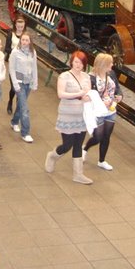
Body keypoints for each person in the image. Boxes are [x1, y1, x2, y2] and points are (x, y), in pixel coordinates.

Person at [44, 50, 94, 185]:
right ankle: (52, 156)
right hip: (67, 115)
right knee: (67, 145)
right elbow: (61, 94)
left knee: (78, 145)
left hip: (82, 116)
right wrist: (79, 94)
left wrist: (89, 98)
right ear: (71, 61)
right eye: (76, 62)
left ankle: (78, 174)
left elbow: (88, 93)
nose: (78, 65)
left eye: (81, 62)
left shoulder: (87, 77)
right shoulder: (64, 76)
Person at [83, 52, 122, 171]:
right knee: (98, 136)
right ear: (103, 65)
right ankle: (85, 148)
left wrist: (119, 96)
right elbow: (88, 95)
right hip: (98, 111)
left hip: (110, 111)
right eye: (110, 63)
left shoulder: (111, 74)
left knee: (106, 136)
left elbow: (117, 88)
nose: (112, 65)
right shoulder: (91, 78)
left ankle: (102, 161)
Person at [8, 31, 38, 143]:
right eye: (23, 40)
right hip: (19, 82)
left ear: (30, 42)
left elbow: (34, 67)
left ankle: (14, 122)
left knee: (21, 105)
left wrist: (35, 83)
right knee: (25, 108)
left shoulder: (32, 52)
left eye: (27, 40)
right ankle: (25, 133)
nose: (24, 42)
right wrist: (15, 84)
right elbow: (11, 69)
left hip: (28, 83)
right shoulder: (15, 52)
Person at [4, 15, 28, 114]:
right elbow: (6, 49)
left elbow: (30, 49)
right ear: (15, 25)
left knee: (20, 88)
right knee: (14, 87)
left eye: (22, 27)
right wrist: (15, 51)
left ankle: (18, 107)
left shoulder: (26, 36)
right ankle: (10, 102)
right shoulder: (11, 34)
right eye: (18, 26)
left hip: (23, 66)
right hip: (13, 64)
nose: (20, 28)